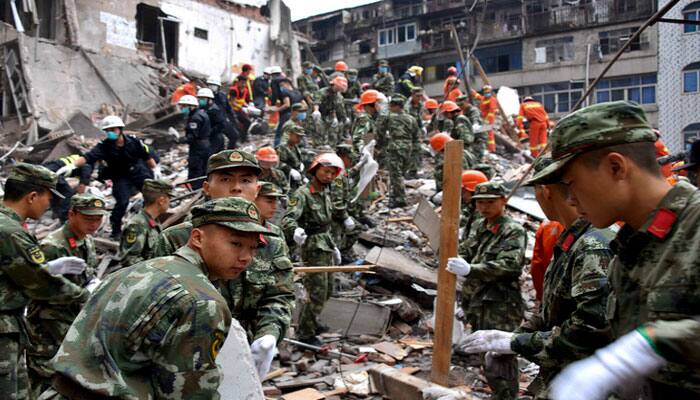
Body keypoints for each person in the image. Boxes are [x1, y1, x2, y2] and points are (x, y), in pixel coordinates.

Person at [524, 101, 700, 400]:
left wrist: (653, 343)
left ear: (616, 167)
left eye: (571, 184)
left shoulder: (694, 228)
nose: (570, 200)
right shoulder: (630, 249)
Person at [39, 197, 268, 399]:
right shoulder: (202, 301)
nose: (246, 257)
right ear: (197, 238)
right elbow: (187, 391)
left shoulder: (136, 271)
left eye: (253, 247)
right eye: (235, 244)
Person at [458, 158, 614, 399]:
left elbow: (588, 330)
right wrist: (513, 338)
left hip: (585, 382)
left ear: (545, 191)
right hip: (565, 375)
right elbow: (552, 311)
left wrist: (517, 343)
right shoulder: (571, 239)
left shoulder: (591, 245)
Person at [0, 163, 89, 399]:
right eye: (48, 197)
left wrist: (45, 268)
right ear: (32, 196)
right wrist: (87, 295)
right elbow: (42, 285)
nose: (49, 203)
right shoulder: (10, 232)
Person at [447, 181, 528, 399]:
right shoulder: (481, 226)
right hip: (479, 301)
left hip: (500, 305)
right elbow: (467, 250)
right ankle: (499, 394)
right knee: (486, 356)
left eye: (490, 202)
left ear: (503, 201)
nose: (484, 207)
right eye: (480, 203)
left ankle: (507, 396)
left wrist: (470, 269)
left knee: (499, 356)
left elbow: (509, 266)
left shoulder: (513, 231)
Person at [26, 193, 107, 397]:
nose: (95, 224)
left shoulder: (85, 240)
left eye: (99, 218)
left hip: (71, 321)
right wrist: (82, 294)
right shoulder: (54, 246)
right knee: (44, 377)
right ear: (71, 214)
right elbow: (42, 290)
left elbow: (89, 272)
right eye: (89, 218)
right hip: (48, 326)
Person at [217, 182, 295, 379]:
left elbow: (278, 295)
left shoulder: (273, 240)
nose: (274, 206)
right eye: (269, 201)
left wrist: (268, 334)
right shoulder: (180, 237)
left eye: (246, 180)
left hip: (248, 342)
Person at [55, 115, 157, 239]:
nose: (110, 133)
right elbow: (88, 157)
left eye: (113, 130)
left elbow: (146, 156)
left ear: (120, 129)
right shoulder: (104, 146)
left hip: (137, 172)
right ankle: (116, 231)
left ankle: (152, 224)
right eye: (108, 131)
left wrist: (154, 169)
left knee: (151, 197)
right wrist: (71, 166)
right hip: (120, 176)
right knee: (122, 202)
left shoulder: (133, 141)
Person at [282, 153, 344, 344]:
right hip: (312, 246)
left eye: (333, 174)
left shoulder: (326, 191)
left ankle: (312, 320)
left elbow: (326, 222)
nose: (329, 176)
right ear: (315, 170)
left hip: (325, 242)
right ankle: (305, 333)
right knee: (316, 290)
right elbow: (288, 218)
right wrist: (295, 230)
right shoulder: (302, 194)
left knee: (327, 289)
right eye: (326, 172)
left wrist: (333, 246)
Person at [118, 179, 173, 268]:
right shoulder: (137, 225)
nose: (170, 202)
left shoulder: (153, 221)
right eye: (169, 198)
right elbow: (129, 260)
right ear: (161, 200)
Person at [377, 95, 420, 208]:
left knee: (396, 174)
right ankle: (396, 194)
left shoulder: (389, 117)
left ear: (395, 106)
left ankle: (400, 199)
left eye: (391, 106)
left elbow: (380, 132)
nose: (390, 108)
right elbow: (416, 135)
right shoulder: (411, 118)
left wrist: (380, 145)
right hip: (408, 147)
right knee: (402, 172)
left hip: (395, 146)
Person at [330, 144, 363, 262]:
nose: (352, 161)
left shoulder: (339, 170)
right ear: (343, 157)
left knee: (357, 228)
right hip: (332, 215)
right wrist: (345, 217)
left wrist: (358, 167)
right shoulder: (337, 174)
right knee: (332, 245)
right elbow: (336, 202)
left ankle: (342, 251)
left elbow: (348, 174)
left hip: (336, 213)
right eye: (350, 158)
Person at [41, 154, 93, 222]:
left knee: (55, 193)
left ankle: (56, 213)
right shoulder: (87, 164)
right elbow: (82, 186)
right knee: (68, 193)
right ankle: (64, 218)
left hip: (45, 171)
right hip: (52, 173)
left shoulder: (77, 157)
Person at [179, 94, 211, 190]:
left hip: (197, 147)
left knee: (195, 167)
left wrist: (180, 140)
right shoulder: (202, 113)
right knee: (203, 168)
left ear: (191, 106)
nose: (182, 108)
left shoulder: (195, 118)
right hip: (205, 144)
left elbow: (192, 136)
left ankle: (195, 188)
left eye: (184, 106)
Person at [530, 219, 564, 302]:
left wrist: (541, 296)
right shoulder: (592, 228)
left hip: (550, 296)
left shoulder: (546, 225)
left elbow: (536, 265)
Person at [313, 75, 348, 146]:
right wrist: (316, 111)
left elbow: (340, 109)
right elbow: (317, 102)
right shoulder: (322, 92)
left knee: (333, 133)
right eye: (338, 88)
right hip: (319, 115)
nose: (339, 91)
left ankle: (332, 147)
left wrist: (344, 119)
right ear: (333, 85)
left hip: (329, 115)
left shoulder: (339, 96)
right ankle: (319, 148)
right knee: (319, 133)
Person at [207, 75, 239, 150]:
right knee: (219, 141)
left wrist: (234, 119)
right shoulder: (205, 96)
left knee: (234, 136)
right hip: (212, 124)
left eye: (214, 85)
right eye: (210, 85)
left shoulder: (223, 96)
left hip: (223, 121)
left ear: (218, 86)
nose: (212, 87)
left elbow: (228, 109)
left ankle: (229, 153)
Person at [441, 100, 477, 167]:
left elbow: (466, 139)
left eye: (445, 113)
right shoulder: (455, 120)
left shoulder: (460, 119)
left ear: (450, 112)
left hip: (464, 150)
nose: (445, 116)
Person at [269, 77, 303, 146]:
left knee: (280, 133)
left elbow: (287, 104)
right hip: (297, 115)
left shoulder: (285, 92)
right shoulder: (297, 92)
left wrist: (275, 109)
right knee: (296, 132)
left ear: (287, 83)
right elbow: (303, 104)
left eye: (282, 85)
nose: (281, 87)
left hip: (286, 115)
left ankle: (277, 148)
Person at [459, 170, 488, 238]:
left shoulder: (484, 213)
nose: (462, 196)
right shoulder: (472, 205)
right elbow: (464, 218)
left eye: (464, 193)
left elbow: (473, 241)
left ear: (474, 193)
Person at [277, 125, 306, 192]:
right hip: (286, 178)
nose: (299, 139)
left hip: (296, 179)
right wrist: (290, 170)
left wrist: (303, 175)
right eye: (297, 136)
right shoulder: (282, 147)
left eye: (301, 137)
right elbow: (278, 163)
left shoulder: (296, 147)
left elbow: (297, 162)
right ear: (290, 134)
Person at [198, 88, 228, 154]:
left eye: (203, 99)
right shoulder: (203, 109)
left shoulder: (214, 110)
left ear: (209, 99)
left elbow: (222, 125)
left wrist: (209, 131)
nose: (200, 101)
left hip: (215, 138)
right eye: (199, 98)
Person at [472, 85, 499, 152]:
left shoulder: (492, 100)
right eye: (486, 92)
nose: (487, 93)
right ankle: (487, 148)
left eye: (488, 92)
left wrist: (487, 120)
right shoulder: (483, 98)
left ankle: (492, 148)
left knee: (489, 134)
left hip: (489, 119)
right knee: (485, 133)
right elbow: (478, 96)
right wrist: (473, 92)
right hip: (483, 118)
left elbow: (491, 111)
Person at [229, 75, 252, 142]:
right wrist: (241, 107)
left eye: (245, 83)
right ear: (238, 82)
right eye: (242, 83)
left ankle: (244, 137)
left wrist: (247, 106)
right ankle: (237, 139)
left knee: (247, 122)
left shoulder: (245, 90)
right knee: (236, 124)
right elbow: (232, 102)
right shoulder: (233, 90)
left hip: (239, 110)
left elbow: (242, 100)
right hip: (232, 110)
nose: (243, 84)